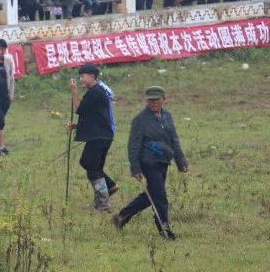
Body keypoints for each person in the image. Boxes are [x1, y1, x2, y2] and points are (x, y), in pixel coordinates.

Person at [113, 86, 189, 239]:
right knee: (160, 196)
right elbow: (133, 145)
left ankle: (122, 216)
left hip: (163, 161)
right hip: (148, 161)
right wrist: (135, 168)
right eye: (150, 100)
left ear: (164, 100)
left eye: (157, 99)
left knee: (153, 194)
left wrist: (181, 161)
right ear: (146, 101)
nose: (154, 102)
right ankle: (165, 231)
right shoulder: (140, 119)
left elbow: (174, 139)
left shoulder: (167, 116)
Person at [67, 64, 118, 212]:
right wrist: (78, 125)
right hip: (102, 135)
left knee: (90, 165)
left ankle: (103, 204)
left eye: (83, 76)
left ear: (92, 76)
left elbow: (78, 109)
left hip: (99, 137)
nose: (81, 79)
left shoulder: (95, 92)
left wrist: (74, 91)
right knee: (91, 164)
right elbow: (95, 116)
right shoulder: (97, 91)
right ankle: (110, 186)